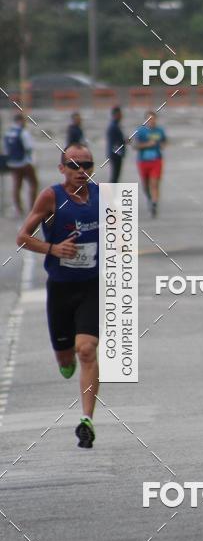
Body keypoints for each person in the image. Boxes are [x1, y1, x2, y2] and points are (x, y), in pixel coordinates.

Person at [16, 144, 99, 449]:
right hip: (61, 289)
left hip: (92, 285)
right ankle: (65, 360)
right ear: (61, 168)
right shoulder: (52, 196)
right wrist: (54, 248)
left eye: (87, 165)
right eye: (74, 165)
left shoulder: (105, 197)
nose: (81, 171)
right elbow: (22, 237)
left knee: (87, 349)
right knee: (67, 360)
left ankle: (87, 420)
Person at [3, 112, 38, 216]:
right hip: (24, 162)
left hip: (13, 163)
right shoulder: (23, 132)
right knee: (33, 183)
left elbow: (6, 149)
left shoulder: (8, 133)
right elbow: (29, 148)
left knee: (16, 185)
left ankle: (18, 208)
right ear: (20, 121)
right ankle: (32, 207)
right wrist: (32, 160)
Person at [133, 111, 167, 217]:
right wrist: (147, 144)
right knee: (145, 185)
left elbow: (164, 141)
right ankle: (149, 199)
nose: (152, 121)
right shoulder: (140, 131)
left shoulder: (160, 130)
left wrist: (162, 144)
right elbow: (135, 146)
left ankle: (154, 204)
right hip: (143, 161)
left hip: (156, 160)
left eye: (153, 119)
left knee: (154, 183)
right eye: (149, 119)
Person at [106, 106, 126, 183]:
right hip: (115, 154)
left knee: (115, 176)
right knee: (115, 176)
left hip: (115, 153)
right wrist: (124, 141)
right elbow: (115, 141)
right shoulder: (113, 126)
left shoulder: (116, 125)